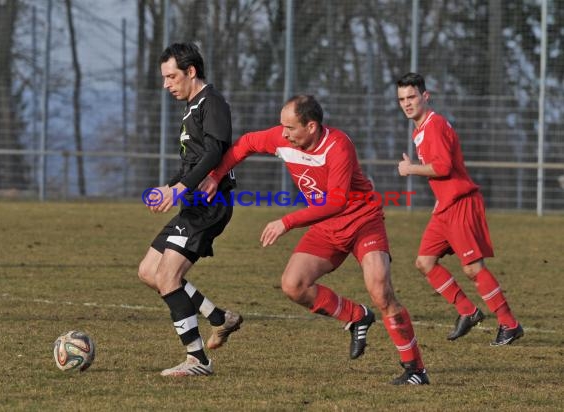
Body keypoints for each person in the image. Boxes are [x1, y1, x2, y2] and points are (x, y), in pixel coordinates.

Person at [200, 95, 429, 385]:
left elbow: (336, 202)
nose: (282, 133)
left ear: (311, 126)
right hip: (327, 226)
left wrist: (286, 222)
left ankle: (415, 370)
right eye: (282, 126)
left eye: (290, 127)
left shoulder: (338, 146)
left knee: (381, 291)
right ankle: (356, 317)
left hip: (362, 221)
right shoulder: (282, 138)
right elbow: (245, 144)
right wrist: (215, 175)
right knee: (293, 285)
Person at [137, 42, 243, 377]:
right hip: (194, 204)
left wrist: (182, 188)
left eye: (171, 77)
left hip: (211, 205)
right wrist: (169, 187)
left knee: (168, 277)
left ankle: (198, 360)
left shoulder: (212, 102)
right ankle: (218, 318)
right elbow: (192, 162)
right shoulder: (191, 108)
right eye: (164, 78)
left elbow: (214, 152)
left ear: (191, 72)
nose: (166, 84)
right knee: (149, 272)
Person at [396, 72, 523, 346]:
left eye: (412, 97)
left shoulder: (434, 125)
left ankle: (509, 324)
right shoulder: (421, 129)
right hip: (445, 207)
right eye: (402, 99)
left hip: (460, 204)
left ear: (425, 96)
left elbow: (442, 168)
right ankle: (468, 311)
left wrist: (410, 169)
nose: (407, 103)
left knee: (473, 269)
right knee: (425, 262)